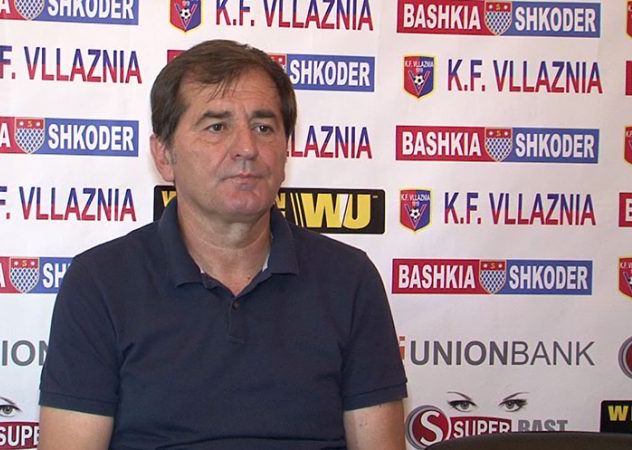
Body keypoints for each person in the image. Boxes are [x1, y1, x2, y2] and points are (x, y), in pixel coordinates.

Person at [38, 39, 407, 450]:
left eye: (264, 127)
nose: (247, 148)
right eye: (217, 127)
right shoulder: (100, 282)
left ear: (286, 151)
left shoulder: (349, 278)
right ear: (164, 155)